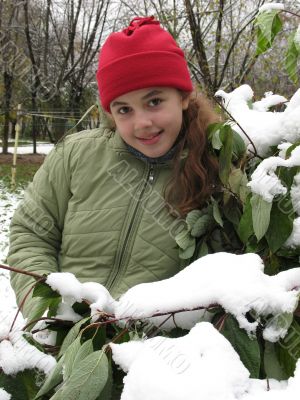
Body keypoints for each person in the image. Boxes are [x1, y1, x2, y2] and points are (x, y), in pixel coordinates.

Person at [8, 16, 219, 319]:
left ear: (183, 96)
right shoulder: (75, 155)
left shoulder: (217, 171)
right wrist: (48, 311)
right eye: (124, 109)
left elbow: (221, 278)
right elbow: (32, 233)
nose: (142, 123)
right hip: (63, 342)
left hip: (152, 353)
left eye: (155, 101)